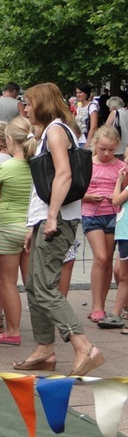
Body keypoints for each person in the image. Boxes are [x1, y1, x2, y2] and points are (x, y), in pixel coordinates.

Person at [15, 82, 104, 376]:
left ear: (41, 103)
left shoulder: (55, 130)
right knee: (33, 283)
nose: (25, 108)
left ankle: (83, 346)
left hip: (59, 219)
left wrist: (51, 217)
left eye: (28, 103)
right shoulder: (53, 131)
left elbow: (63, 174)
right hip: (47, 219)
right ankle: (44, 349)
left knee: (43, 286)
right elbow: (45, 184)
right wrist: (36, 223)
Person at [0, 117, 36, 346]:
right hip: (31, 228)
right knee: (32, 283)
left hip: (7, 229)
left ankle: (13, 331)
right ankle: (42, 331)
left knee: (8, 282)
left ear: (8, 139)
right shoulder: (38, 166)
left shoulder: (2, 169)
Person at [82, 125, 124, 323]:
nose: (106, 153)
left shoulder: (121, 167)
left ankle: (101, 303)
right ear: (95, 144)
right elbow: (76, 192)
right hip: (92, 214)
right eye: (103, 149)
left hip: (114, 215)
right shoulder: (87, 164)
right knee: (100, 257)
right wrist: (89, 197)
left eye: (111, 149)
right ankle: (96, 305)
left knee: (107, 259)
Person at [100, 166, 128, 330]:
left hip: (125, 234)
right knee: (122, 274)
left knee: (124, 275)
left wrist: (118, 180)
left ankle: (117, 314)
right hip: (124, 234)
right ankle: (116, 314)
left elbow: (116, 200)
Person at [74, 81, 98, 148]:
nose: (78, 95)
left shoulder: (92, 106)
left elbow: (94, 127)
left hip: (86, 140)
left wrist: (88, 143)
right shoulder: (79, 107)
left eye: (80, 92)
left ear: (86, 93)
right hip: (77, 140)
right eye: (77, 93)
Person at [105, 96, 128, 160]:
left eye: (110, 107)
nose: (109, 110)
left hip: (117, 147)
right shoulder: (126, 112)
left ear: (114, 107)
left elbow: (105, 128)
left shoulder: (114, 113)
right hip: (125, 147)